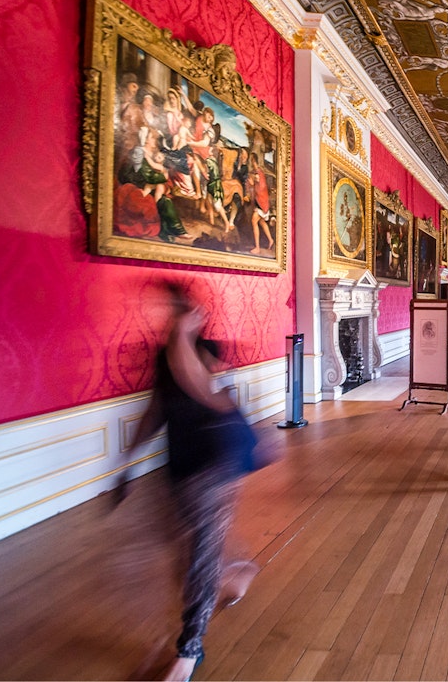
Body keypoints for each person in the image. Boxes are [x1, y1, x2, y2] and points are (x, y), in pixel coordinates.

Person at [128, 287, 262, 680]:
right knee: (186, 550)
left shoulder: (205, 349)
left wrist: (184, 336)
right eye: (165, 310)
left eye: (175, 309)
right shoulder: (163, 354)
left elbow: (202, 389)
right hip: (179, 466)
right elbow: (156, 409)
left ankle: (189, 650)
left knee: (200, 551)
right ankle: (236, 570)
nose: (168, 316)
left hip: (215, 462)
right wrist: (126, 462)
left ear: (194, 313)